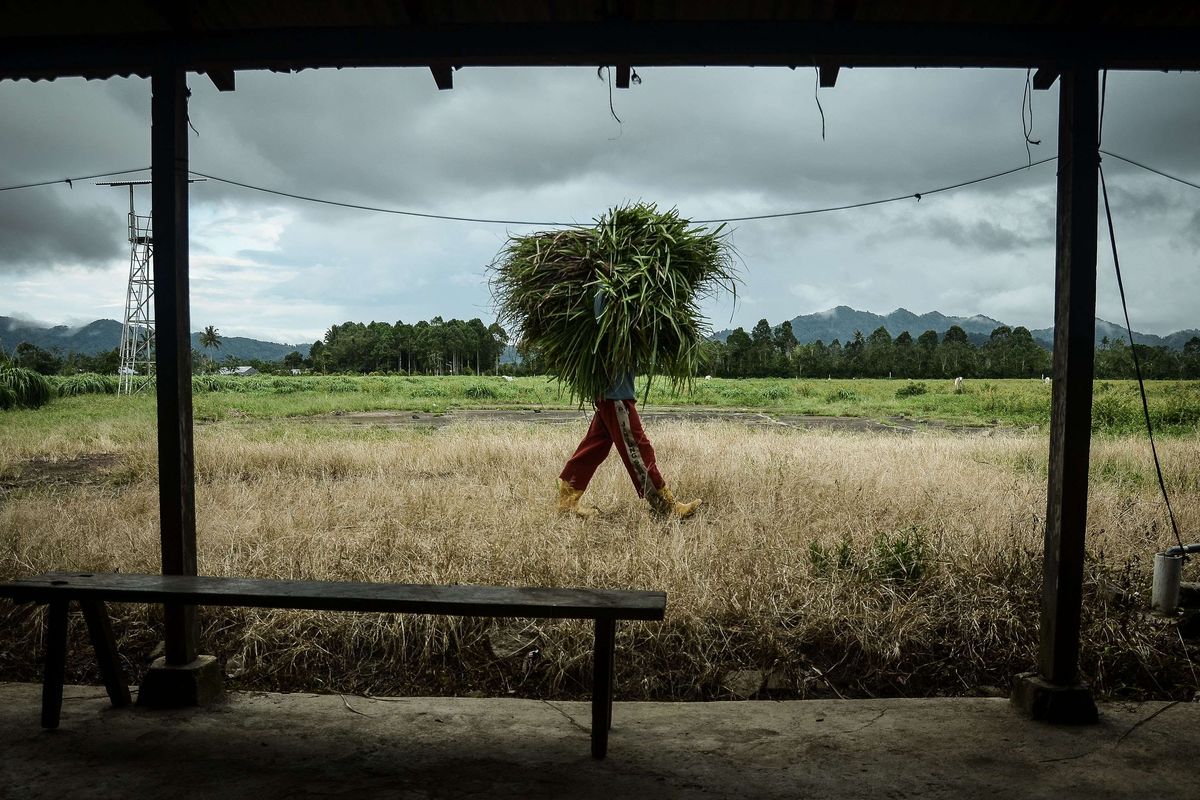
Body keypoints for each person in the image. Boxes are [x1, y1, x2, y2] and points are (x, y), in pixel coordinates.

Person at [556, 293, 702, 519]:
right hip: (616, 397)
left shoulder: (630, 313)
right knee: (639, 449)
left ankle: (567, 501)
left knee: (593, 448)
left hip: (613, 395)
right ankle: (667, 507)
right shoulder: (606, 307)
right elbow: (602, 309)